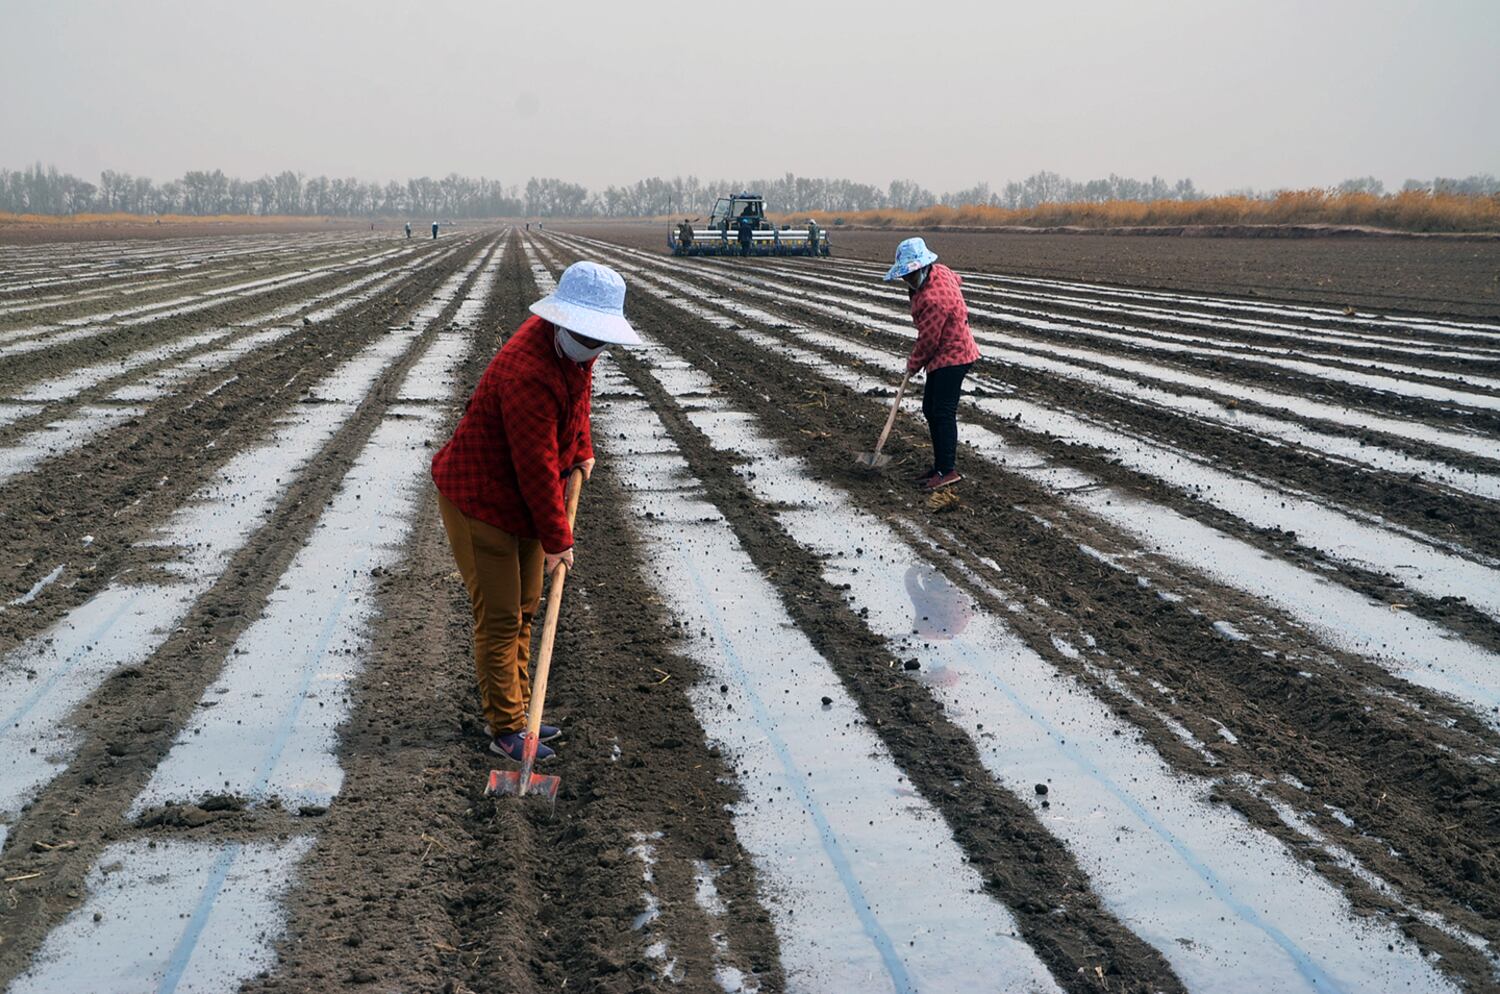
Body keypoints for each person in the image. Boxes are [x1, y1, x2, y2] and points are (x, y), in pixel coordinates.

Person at [431, 261, 642, 762]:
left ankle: (524, 711)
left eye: (600, 339)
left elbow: (578, 402)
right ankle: (506, 727)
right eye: (587, 336)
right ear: (563, 319)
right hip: (480, 499)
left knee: (526, 606)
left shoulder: (571, 349)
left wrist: (583, 448)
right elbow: (536, 467)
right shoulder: (528, 373)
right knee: (502, 616)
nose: (594, 347)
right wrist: (558, 539)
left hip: (518, 501)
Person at [883, 237, 979, 490]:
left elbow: (928, 341)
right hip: (943, 355)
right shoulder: (940, 271)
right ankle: (939, 466)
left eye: (910, 274)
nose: (907, 279)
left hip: (954, 356)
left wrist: (912, 365)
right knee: (930, 409)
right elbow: (957, 279)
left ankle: (947, 470)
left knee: (942, 411)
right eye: (905, 275)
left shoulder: (933, 300)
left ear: (922, 268)